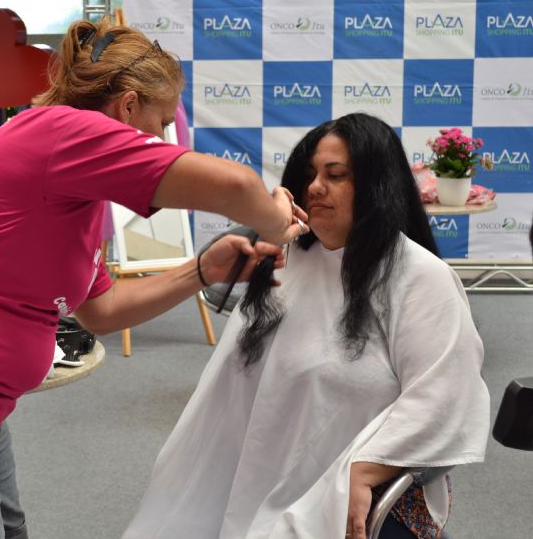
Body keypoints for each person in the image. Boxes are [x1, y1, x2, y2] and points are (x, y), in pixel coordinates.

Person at [0, 20, 308, 539]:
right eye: (162, 121)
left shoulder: (68, 177)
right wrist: (275, 220)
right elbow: (237, 184)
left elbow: (101, 310)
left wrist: (203, 269)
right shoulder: (64, 133)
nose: (163, 138)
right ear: (127, 107)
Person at [123, 113, 490, 539]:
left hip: (354, 486)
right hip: (252, 481)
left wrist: (366, 468)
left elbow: (445, 393)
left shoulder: (420, 277)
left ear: (376, 186)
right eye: (310, 174)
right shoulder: (284, 262)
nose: (315, 187)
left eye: (335, 175)